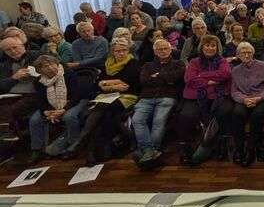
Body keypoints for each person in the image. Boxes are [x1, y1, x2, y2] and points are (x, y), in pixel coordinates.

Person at [67, 38, 141, 166]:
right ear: (113, 52)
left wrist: (106, 84)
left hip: (126, 97)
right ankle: (91, 152)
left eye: (124, 50)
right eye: (118, 51)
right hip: (106, 97)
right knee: (99, 115)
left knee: (99, 110)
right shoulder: (108, 64)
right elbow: (98, 84)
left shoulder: (133, 63)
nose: (121, 53)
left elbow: (126, 83)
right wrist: (111, 85)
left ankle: (83, 145)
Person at [177, 34, 233, 165]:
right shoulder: (194, 62)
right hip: (195, 96)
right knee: (185, 116)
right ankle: (186, 147)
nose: (210, 48)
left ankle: (221, 143)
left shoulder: (222, 61)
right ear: (202, 47)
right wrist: (210, 81)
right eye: (207, 45)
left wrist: (201, 75)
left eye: (213, 46)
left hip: (218, 95)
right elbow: (189, 79)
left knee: (225, 111)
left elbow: (226, 74)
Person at [131, 39, 184, 170]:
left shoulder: (178, 64)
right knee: (137, 120)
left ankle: (148, 152)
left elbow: (176, 77)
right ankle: (151, 151)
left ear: (171, 49)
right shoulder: (147, 65)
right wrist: (166, 79)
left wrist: (157, 76)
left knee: (159, 120)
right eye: (160, 49)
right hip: (146, 98)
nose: (163, 51)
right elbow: (144, 81)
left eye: (166, 49)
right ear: (155, 52)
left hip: (167, 97)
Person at [26, 55, 88, 164]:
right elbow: (40, 100)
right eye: (45, 66)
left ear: (57, 64)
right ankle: (37, 149)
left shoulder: (69, 74)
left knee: (69, 117)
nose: (50, 68)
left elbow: (77, 95)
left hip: (74, 102)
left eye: (52, 64)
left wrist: (64, 109)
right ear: (40, 70)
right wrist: (47, 111)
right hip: (51, 107)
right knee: (35, 120)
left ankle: (72, 146)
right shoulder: (38, 81)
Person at [230, 42, 264, 167]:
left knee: (257, 114)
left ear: (253, 54)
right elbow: (234, 91)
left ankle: (251, 149)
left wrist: (259, 98)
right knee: (237, 113)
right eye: (243, 53)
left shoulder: (263, 65)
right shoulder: (235, 70)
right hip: (245, 99)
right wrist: (245, 100)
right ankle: (239, 149)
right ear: (238, 55)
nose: (246, 55)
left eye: (249, 53)